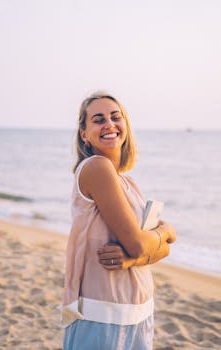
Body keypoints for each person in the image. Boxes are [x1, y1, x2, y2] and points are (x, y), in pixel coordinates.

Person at [61, 92, 176, 350]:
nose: (110, 125)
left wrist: (133, 259)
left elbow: (161, 249)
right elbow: (139, 243)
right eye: (98, 120)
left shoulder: (126, 181)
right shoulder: (96, 168)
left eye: (116, 117)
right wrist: (165, 230)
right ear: (84, 134)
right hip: (103, 317)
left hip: (138, 312)